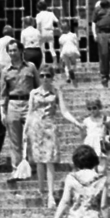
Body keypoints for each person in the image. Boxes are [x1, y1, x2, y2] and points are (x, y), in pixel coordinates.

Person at [24, 66, 74, 208]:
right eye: (42, 75)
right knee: (39, 161)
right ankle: (41, 189)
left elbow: (64, 111)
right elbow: (29, 112)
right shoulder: (34, 93)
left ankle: (51, 194)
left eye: (47, 75)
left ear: (52, 77)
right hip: (36, 128)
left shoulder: (56, 92)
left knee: (49, 161)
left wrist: (76, 122)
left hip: (50, 127)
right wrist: (25, 131)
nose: (45, 78)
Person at [0, 41, 38, 176]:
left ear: (21, 51)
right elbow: (3, 93)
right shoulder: (5, 71)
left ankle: (31, 166)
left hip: (29, 103)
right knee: (15, 139)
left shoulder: (31, 67)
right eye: (10, 51)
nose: (12, 53)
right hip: (13, 104)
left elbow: (37, 87)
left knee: (31, 136)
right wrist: (2, 112)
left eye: (14, 50)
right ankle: (16, 168)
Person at [79, 95, 110, 174]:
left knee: (101, 169)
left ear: (99, 107)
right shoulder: (86, 121)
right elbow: (83, 136)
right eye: (89, 108)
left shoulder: (105, 119)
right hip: (89, 144)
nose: (92, 110)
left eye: (94, 108)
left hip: (100, 144)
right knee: (89, 169)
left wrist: (109, 137)